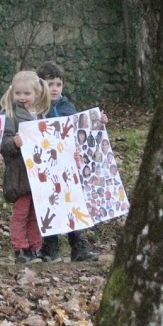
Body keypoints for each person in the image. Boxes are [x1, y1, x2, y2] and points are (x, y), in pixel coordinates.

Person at [36, 61, 100, 263]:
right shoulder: (36, 109)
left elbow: (79, 130)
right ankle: (50, 247)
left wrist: (98, 122)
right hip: (45, 165)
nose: (54, 89)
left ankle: (78, 246)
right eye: (49, 84)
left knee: (72, 204)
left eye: (58, 84)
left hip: (67, 165)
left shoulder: (67, 107)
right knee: (49, 204)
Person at [0, 70, 51, 264]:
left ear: (36, 94)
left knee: (36, 214)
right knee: (21, 213)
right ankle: (20, 248)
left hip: (37, 174)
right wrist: (15, 142)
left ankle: (35, 247)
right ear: (12, 93)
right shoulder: (9, 115)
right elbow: (2, 144)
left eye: (26, 94)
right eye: (18, 93)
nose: (22, 97)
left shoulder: (40, 117)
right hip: (19, 174)